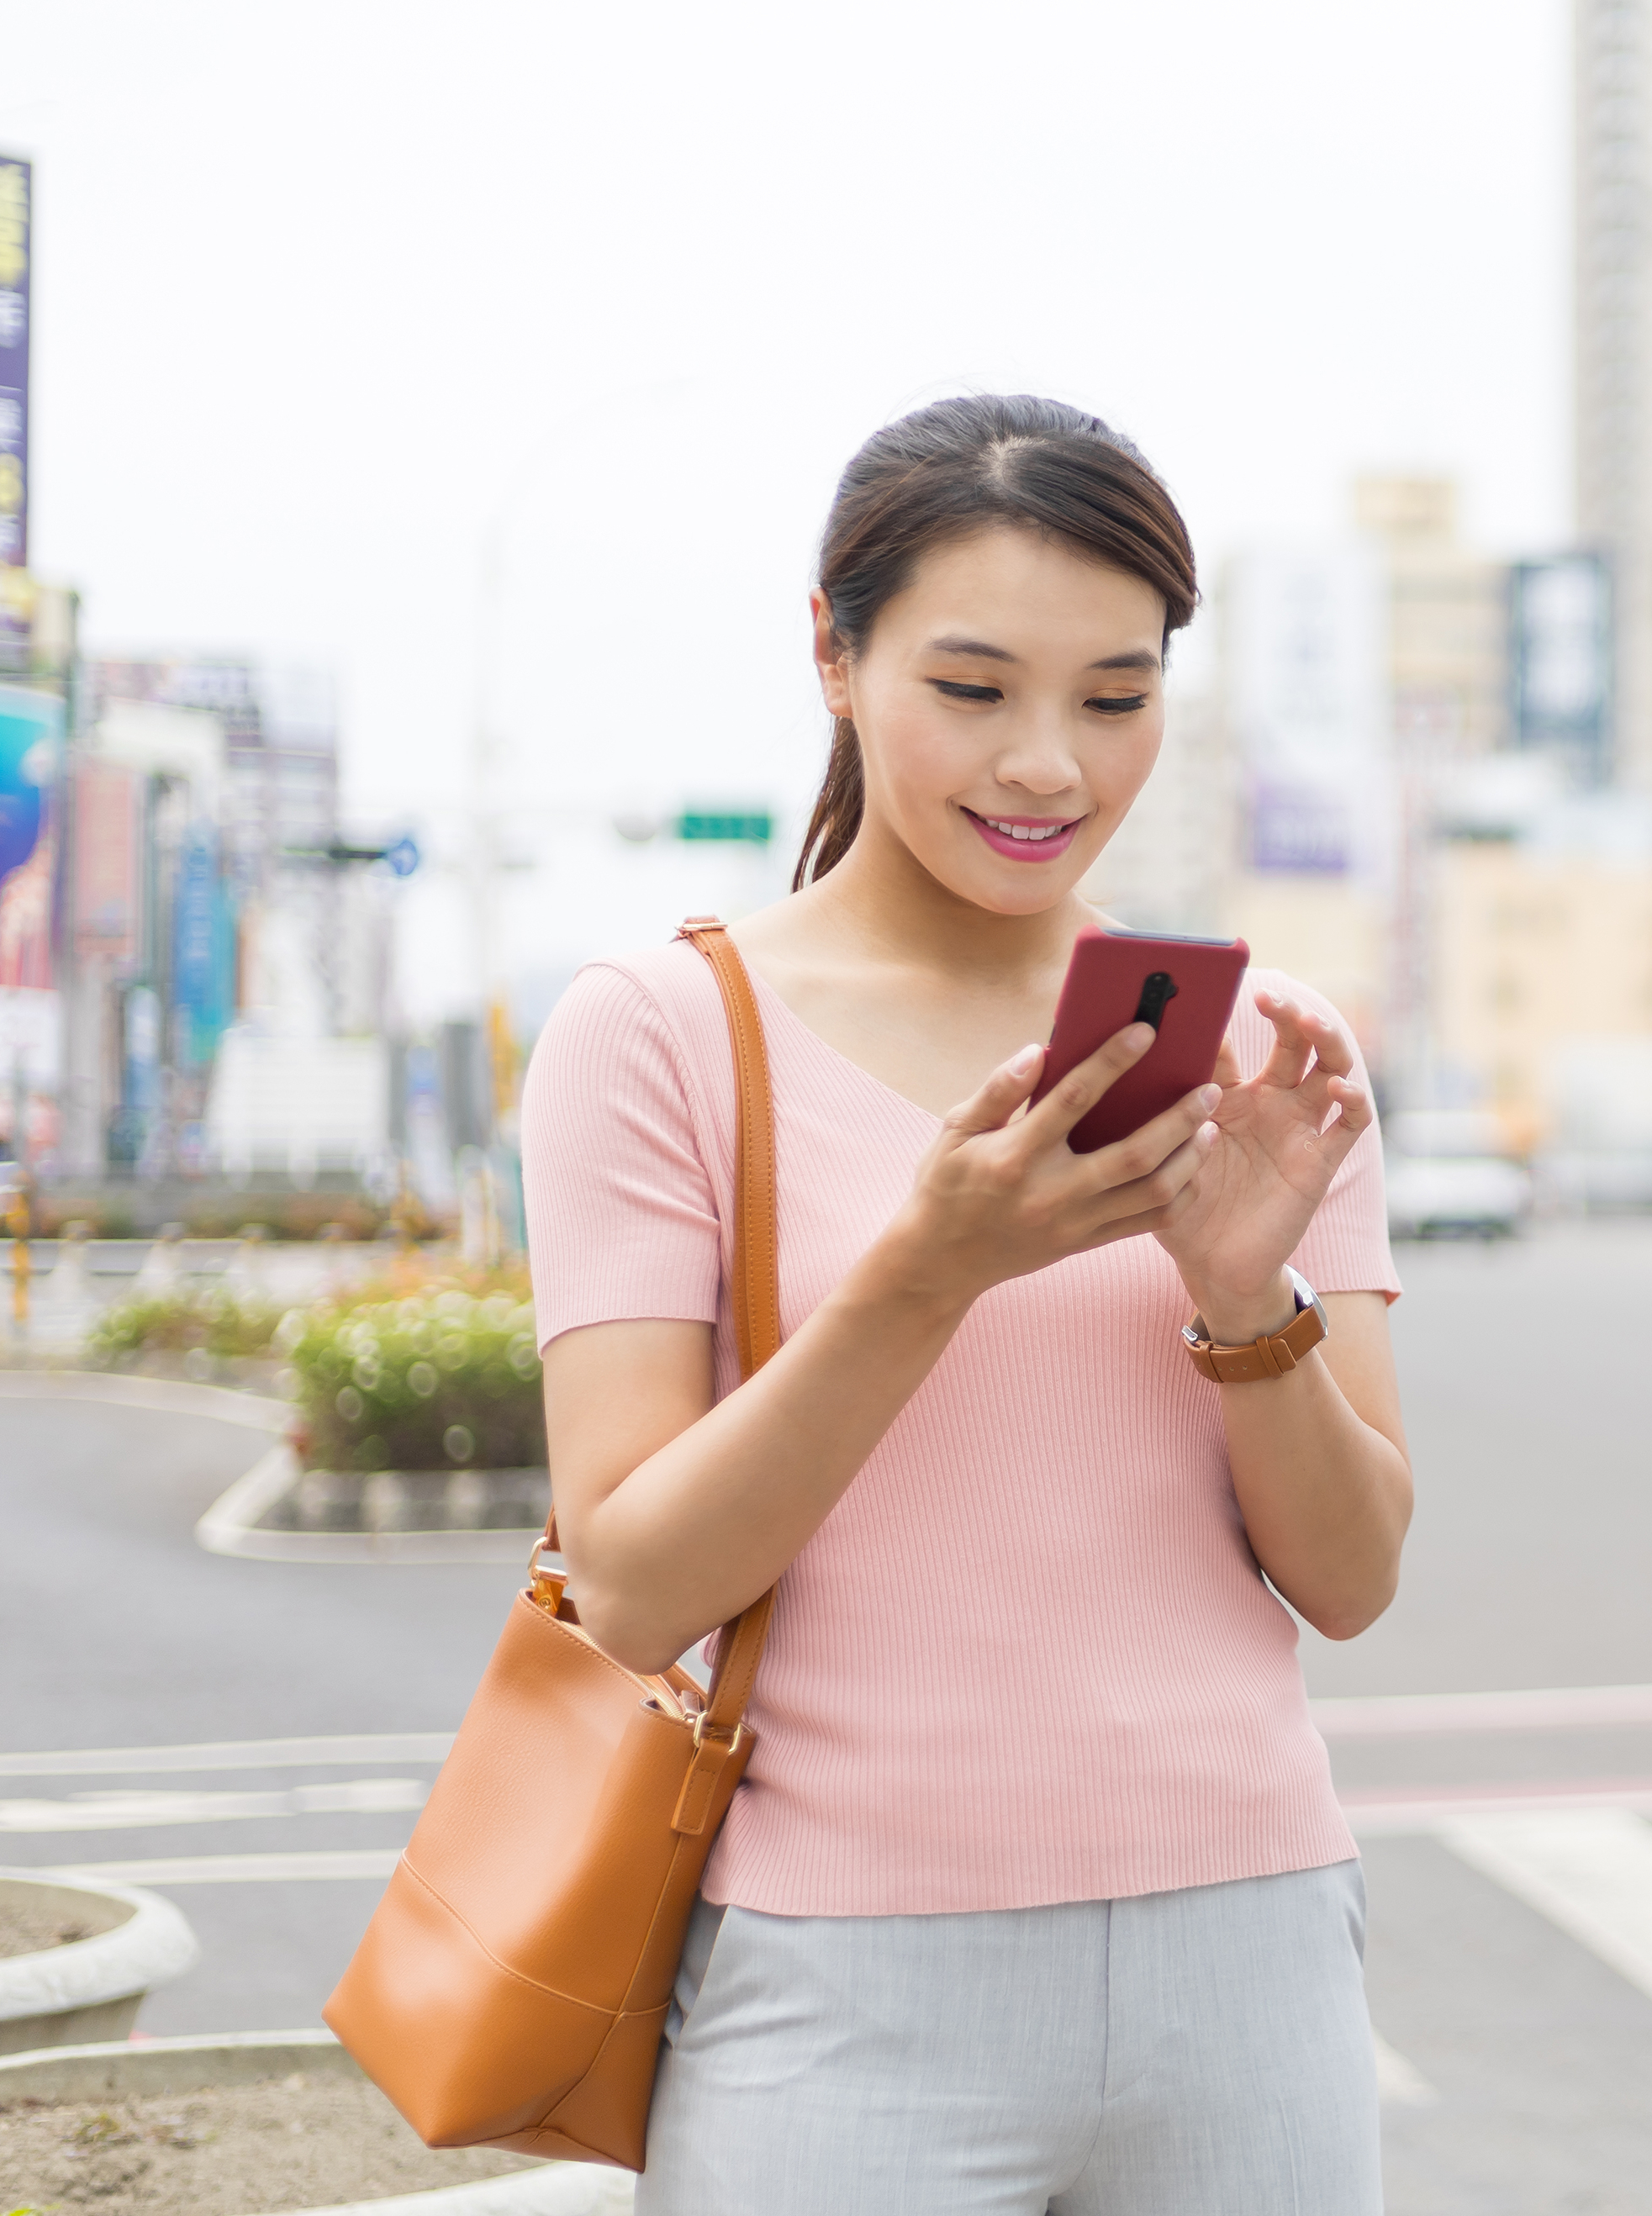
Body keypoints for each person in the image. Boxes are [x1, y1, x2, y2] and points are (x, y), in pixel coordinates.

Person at [520, 395, 1410, 2215]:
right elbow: (627, 1585)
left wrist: (1249, 1301)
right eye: (974, 686)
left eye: (1113, 693)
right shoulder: (663, 1034)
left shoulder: (1257, 1055)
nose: (1046, 766)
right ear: (836, 658)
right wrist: (924, 1272)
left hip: (1247, 1953)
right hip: (843, 1977)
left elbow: (1352, 1573)